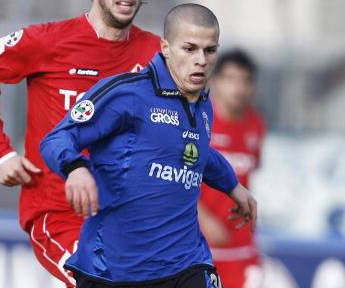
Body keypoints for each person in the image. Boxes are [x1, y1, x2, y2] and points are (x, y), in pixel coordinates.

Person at [40, 4, 257, 288]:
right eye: (189, 49)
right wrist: (76, 168)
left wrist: (233, 186)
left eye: (210, 50)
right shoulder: (127, 94)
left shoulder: (203, 105)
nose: (201, 60)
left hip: (186, 263)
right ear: (166, 47)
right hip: (114, 270)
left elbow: (195, 151)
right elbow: (56, 139)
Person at [0, 1, 160, 287]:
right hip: (60, 215)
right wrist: (0, 153)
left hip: (128, 219)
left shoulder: (157, 54)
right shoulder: (49, 40)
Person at [198, 49, 266, 288]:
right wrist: (203, 218)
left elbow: (247, 179)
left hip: (242, 247)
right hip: (200, 246)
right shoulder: (198, 121)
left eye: (245, 81)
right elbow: (178, 178)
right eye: (231, 79)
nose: (238, 88)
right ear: (215, 81)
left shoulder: (256, 125)